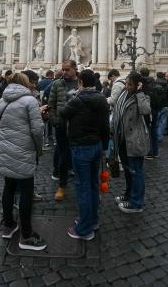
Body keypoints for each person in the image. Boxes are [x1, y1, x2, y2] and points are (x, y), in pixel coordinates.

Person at [0, 73, 47, 251]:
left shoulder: (2, 100)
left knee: (8, 187)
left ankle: (8, 225)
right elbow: (37, 129)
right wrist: (39, 148)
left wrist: (7, 136)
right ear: (26, 84)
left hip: (5, 149)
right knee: (26, 191)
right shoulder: (30, 101)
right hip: (24, 150)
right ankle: (27, 234)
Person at [59, 69, 110, 241]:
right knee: (94, 184)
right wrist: (104, 145)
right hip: (96, 146)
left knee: (83, 188)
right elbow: (105, 126)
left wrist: (73, 95)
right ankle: (92, 220)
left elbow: (62, 113)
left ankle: (84, 229)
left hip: (81, 147)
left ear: (80, 82)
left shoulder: (77, 100)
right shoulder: (102, 99)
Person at [112, 72, 150, 213]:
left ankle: (136, 203)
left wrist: (140, 93)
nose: (126, 86)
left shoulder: (142, 97)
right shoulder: (124, 94)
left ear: (138, 85)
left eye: (130, 84)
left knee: (136, 172)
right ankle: (129, 195)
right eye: (126, 83)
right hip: (123, 139)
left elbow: (146, 110)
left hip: (135, 140)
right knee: (128, 171)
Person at [48, 60, 79, 201]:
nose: (64, 72)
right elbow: (51, 104)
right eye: (63, 69)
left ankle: (81, 186)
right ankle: (62, 185)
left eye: (67, 70)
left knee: (80, 156)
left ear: (75, 69)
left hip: (78, 126)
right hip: (61, 125)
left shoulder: (81, 83)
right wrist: (55, 121)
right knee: (63, 156)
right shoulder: (57, 83)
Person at [147, 71, 168, 159]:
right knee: (159, 125)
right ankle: (156, 150)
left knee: (151, 130)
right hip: (161, 107)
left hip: (152, 110)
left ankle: (151, 151)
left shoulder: (151, 89)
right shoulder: (165, 85)